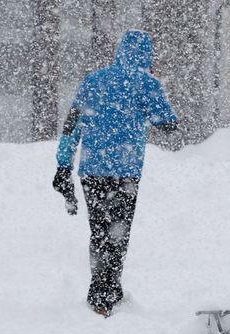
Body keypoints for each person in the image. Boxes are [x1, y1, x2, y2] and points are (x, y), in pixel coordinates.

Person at [53, 29, 178, 316]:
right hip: (125, 173)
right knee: (118, 234)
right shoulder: (147, 84)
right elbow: (168, 124)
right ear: (148, 56)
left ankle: (103, 290)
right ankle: (106, 293)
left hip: (92, 171)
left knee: (99, 231)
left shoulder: (93, 80)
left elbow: (71, 125)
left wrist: (63, 165)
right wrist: (150, 100)